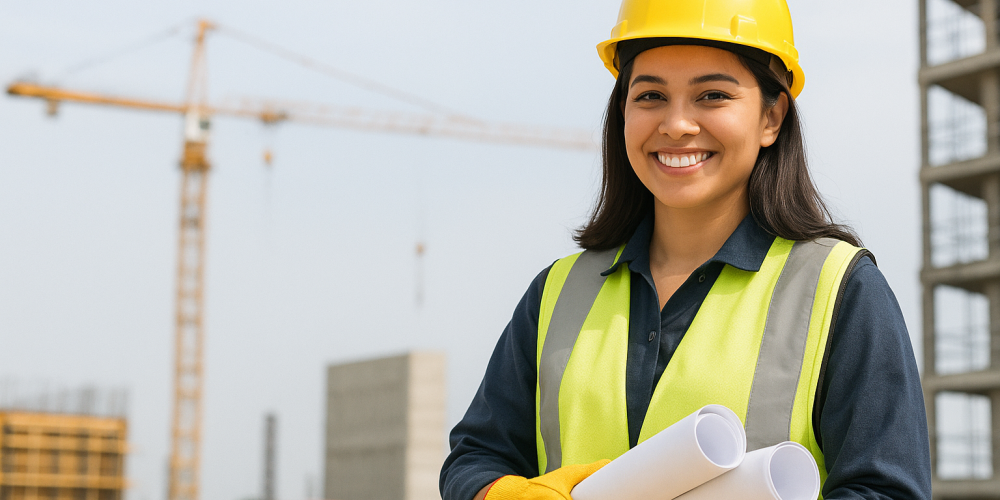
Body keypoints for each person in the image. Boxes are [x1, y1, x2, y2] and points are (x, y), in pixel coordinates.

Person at [440, 0, 932, 499]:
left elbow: (887, 490)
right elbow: (476, 457)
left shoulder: (839, 290)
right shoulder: (557, 293)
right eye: (650, 95)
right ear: (623, 112)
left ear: (771, 117)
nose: (676, 124)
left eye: (712, 95)